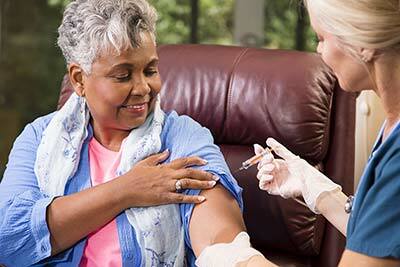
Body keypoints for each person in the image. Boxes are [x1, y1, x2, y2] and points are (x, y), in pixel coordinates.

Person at [0, 0, 275, 266]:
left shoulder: (181, 137)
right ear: (79, 79)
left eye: (150, 70)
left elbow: (218, 236)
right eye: (123, 75)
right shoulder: (39, 138)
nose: (143, 87)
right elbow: (10, 238)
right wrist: (127, 190)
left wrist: (241, 260)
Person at [255, 0, 400, 266]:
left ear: (363, 44)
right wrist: (322, 193)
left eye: (321, 38)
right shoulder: (392, 125)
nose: (318, 50)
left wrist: (237, 257)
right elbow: (385, 235)